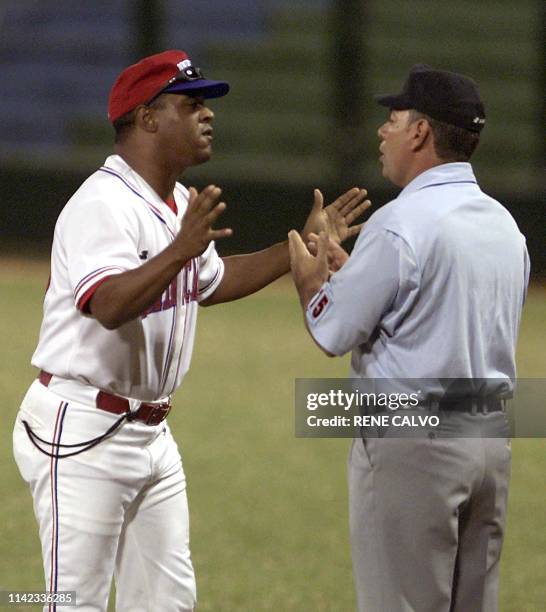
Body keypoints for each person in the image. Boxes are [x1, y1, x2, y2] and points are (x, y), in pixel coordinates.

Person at [12, 49, 369, 612]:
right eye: (191, 103)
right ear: (147, 117)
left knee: (167, 602)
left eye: (207, 105)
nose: (208, 115)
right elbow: (106, 304)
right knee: (71, 602)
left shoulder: (175, 201)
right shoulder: (102, 203)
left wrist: (302, 245)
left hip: (150, 433)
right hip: (80, 430)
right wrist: (179, 251)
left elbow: (214, 279)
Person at [288, 64, 530, 612]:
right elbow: (440, 307)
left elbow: (331, 329)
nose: (382, 131)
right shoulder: (503, 224)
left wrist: (313, 283)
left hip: (414, 439)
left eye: (393, 119)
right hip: (490, 436)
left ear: (421, 132)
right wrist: (357, 276)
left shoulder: (400, 223)